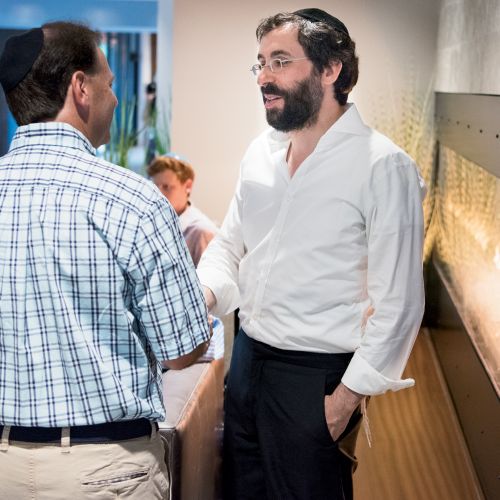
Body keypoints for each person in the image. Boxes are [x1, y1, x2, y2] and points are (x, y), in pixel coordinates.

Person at [197, 8, 426, 500]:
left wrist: (343, 403)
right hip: (246, 364)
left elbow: (401, 306)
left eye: (280, 61)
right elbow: (229, 247)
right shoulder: (259, 153)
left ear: (330, 69)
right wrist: (204, 296)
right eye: (260, 63)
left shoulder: (384, 166)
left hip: (315, 381)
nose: (263, 77)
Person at [0, 22, 210, 499]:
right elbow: (183, 349)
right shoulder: (134, 200)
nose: (115, 99)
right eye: (110, 84)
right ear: (80, 88)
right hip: (104, 470)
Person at [147, 154, 218, 267]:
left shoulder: (201, 232)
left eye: (166, 187)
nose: (158, 195)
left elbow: (208, 277)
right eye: (155, 187)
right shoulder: (154, 224)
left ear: (188, 186)